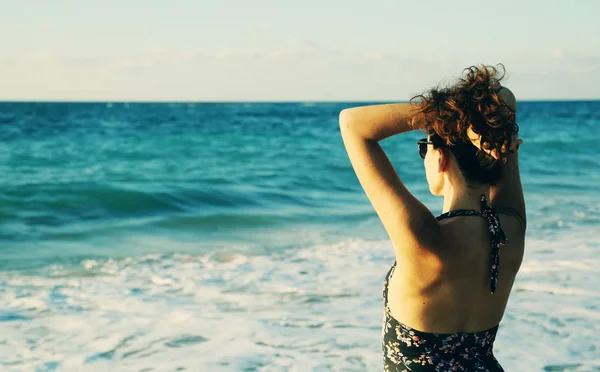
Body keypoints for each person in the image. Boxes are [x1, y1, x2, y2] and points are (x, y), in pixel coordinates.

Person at [338, 64, 525, 371]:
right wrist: (474, 123)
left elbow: (351, 123)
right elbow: (506, 102)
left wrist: (446, 116)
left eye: (425, 147)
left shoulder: (424, 238)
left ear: (440, 157)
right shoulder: (511, 229)